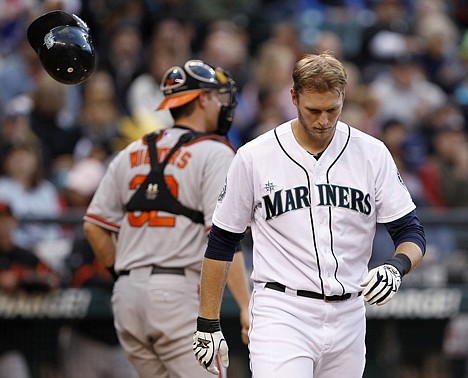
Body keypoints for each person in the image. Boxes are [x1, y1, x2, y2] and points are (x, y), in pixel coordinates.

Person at [193, 52, 426, 377]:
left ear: (343, 97)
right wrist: (208, 321)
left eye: (333, 110)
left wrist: (396, 267)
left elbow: (412, 234)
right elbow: (221, 241)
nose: (323, 120)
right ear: (294, 97)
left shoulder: (371, 153)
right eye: (313, 110)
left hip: (349, 314)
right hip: (282, 311)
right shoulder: (255, 156)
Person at [83, 59, 251, 378]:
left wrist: (124, 275)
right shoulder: (215, 151)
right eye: (217, 96)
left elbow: (94, 226)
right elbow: (223, 238)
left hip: (127, 299)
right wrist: (245, 305)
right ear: (202, 99)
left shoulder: (132, 150)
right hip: (175, 295)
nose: (222, 104)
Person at [0, 201, 60, 378]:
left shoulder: (24, 256)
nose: (2, 226)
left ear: (14, 222)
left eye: (6, 220)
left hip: (9, 346)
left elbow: (54, 278)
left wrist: (27, 279)